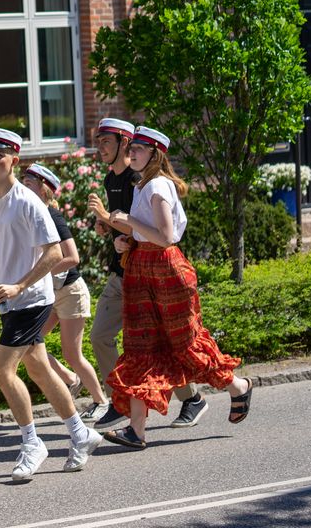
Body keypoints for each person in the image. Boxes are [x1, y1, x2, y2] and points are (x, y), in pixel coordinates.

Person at [0, 128, 101, 481]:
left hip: (32, 299)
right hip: (10, 303)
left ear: (14, 160)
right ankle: (80, 433)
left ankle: (32, 443)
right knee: (40, 370)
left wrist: (19, 285)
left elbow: (56, 253)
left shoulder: (29, 201)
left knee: (1, 371)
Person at [89, 126, 253, 450]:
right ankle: (137, 431)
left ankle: (237, 386)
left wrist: (129, 223)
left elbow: (165, 237)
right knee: (140, 348)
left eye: (137, 149)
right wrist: (125, 239)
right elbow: (144, 232)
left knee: (186, 345)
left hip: (166, 271)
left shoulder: (159, 185)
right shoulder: (142, 186)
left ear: (154, 154)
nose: (131, 153)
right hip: (141, 270)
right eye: (131, 148)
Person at [86, 117, 207, 431]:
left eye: (106, 141)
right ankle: (126, 404)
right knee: (109, 338)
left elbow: (149, 230)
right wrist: (107, 227)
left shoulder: (138, 181)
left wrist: (110, 221)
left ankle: (151, 404)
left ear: (126, 145)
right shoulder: (115, 179)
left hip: (145, 273)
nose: (99, 147)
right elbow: (124, 225)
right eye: (98, 141)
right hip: (124, 271)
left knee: (155, 344)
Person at [20, 163, 107, 417]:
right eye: (23, 183)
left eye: (29, 184)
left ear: (44, 189)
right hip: (50, 293)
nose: (24, 188)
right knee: (30, 343)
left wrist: (39, 271)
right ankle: (71, 380)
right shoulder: (31, 216)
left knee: (72, 353)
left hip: (70, 292)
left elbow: (73, 257)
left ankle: (101, 401)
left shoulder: (52, 216)